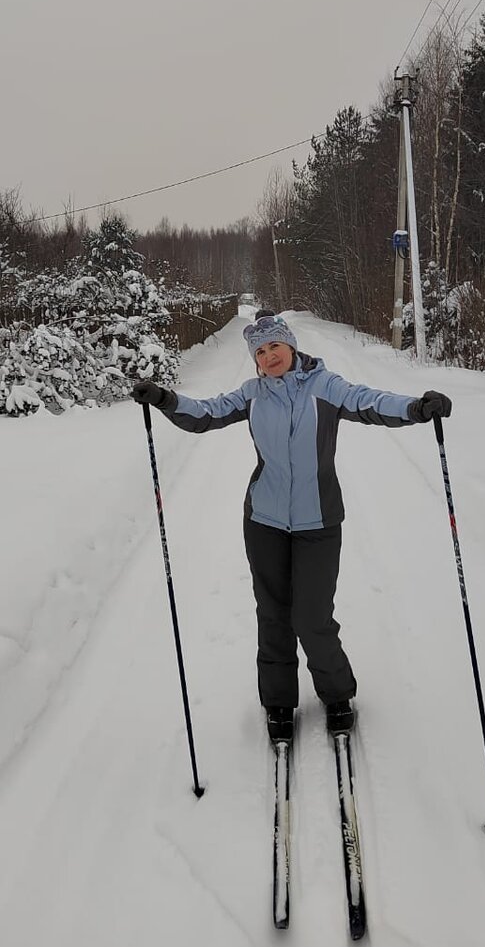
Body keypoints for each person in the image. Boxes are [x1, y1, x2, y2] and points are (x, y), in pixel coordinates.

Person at [133, 311, 451, 743]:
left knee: (313, 616)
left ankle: (337, 693)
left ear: (291, 346)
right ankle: (278, 701)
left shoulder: (326, 387)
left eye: (274, 347)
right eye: (260, 352)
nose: (268, 357)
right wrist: (167, 400)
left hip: (319, 521)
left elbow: (371, 401)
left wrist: (415, 408)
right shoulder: (252, 395)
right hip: (263, 520)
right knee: (273, 614)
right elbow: (205, 414)